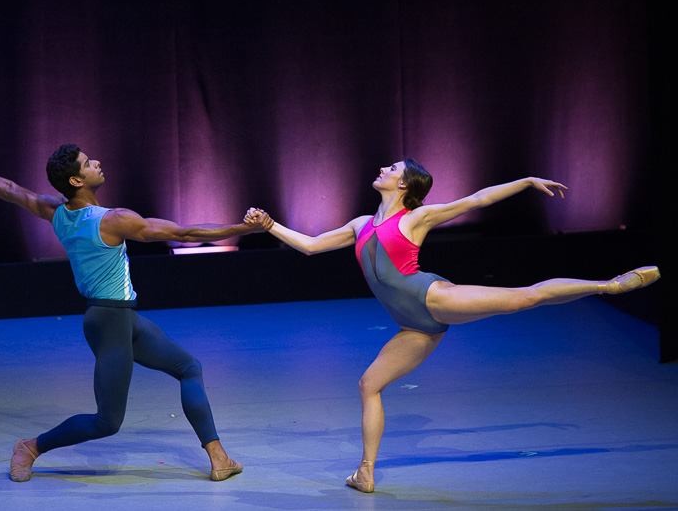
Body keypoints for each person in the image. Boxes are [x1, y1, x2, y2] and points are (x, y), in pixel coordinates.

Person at [245, 158, 660, 493]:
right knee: (369, 385)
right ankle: (366, 472)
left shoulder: (417, 217)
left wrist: (526, 180)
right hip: (413, 327)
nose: (384, 170)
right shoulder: (360, 224)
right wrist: (270, 226)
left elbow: (476, 199)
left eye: (392, 169)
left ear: (405, 185)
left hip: (433, 298)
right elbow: (312, 246)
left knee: (522, 297)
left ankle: (609, 284)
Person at [0, 144, 257, 483]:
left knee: (189, 368)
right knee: (107, 422)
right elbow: (183, 233)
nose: (96, 162)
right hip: (109, 321)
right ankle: (30, 447)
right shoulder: (113, 220)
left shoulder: (55, 210)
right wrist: (243, 229)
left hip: (123, 318)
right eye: (87, 163)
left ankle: (219, 457)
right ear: (75, 179)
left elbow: (10, 190)